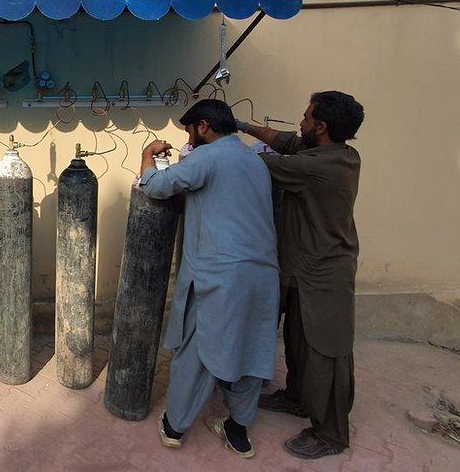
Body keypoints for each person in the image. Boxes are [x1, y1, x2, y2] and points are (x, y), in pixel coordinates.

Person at [140, 99, 280, 459]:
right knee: (249, 348)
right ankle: (238, 429)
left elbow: (156, 186)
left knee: (200, 349)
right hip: (263, 274)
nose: (189, 138)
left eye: (190, 130)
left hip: (222, 275)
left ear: (203, 126)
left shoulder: (210, 156)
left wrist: (148, 155)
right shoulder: (254, 161)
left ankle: (175, 427)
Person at [238, 91, 364, 459]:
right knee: (296, 338)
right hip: (300, 266)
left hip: (325, 273)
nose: (301, 122)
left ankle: (331, 433)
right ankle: (296, 397)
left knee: (327, 351)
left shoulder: (318, 167)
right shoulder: (335, 152)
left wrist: (218, 144)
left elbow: (260, 164)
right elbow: (288, 142)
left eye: (307, 118)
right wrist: (243, 126)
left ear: (321, 127)